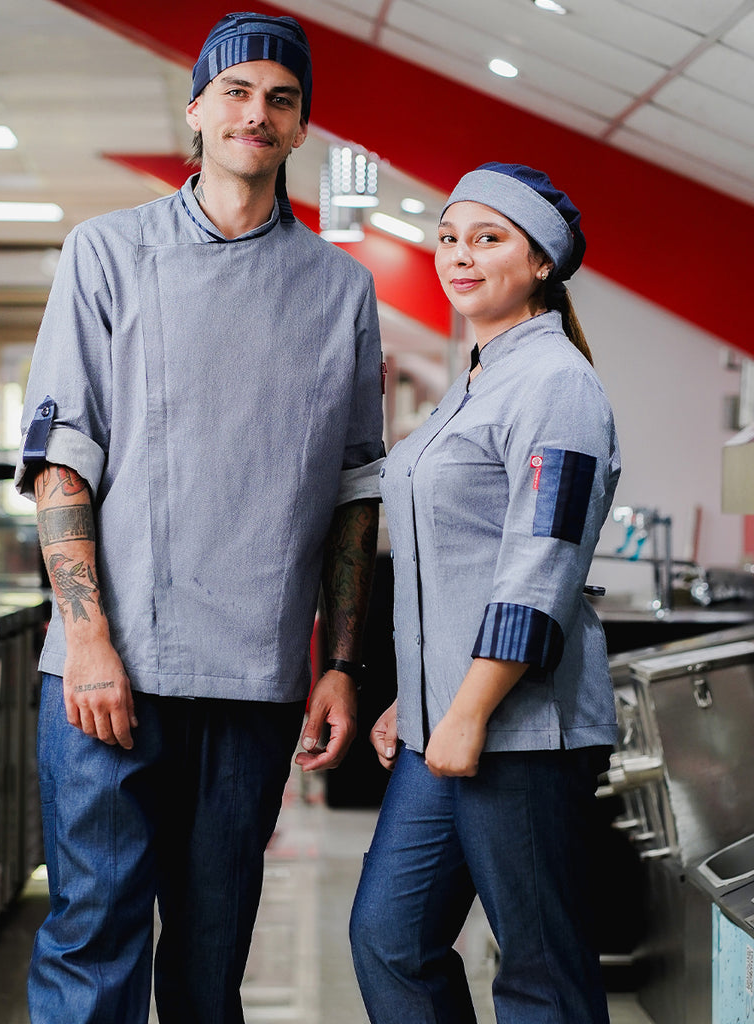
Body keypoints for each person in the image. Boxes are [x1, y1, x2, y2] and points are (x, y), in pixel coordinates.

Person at [16, 12, 384, 1024]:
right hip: (109, 677)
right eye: (236, 92)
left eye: (280, 98)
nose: (255, 113)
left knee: (211, 963)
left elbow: (355, 490)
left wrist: (343, 665)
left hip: (254, 682)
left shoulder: (342, 290)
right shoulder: (107, 254)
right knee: (92, 940)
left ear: (301, 125)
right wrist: (87, 637)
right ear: (197, 109)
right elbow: (60, 465)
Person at [350, 163, 620, 1023]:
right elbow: (447, 563)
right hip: (446, 722)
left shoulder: (557, 384)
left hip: (524, 730)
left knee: (541, 973)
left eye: (488, 238)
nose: (459, 257)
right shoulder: (473, 383)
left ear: (542, 261)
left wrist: (464, 711)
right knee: (389, 938)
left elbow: (539, 564)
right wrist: (418, 699)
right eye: (449, 238)